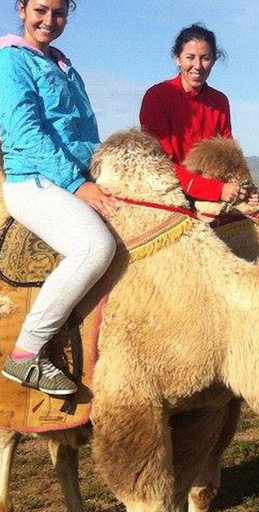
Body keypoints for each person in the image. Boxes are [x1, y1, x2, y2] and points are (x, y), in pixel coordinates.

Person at [0, 0, 116, 395]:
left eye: (59, 12)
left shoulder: (66, 66)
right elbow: (25, 135)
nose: (49, 20)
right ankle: (26, 354)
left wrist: (106, 172)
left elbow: (84, 135)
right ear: (21, 9)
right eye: (41, 10)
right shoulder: (12, 62)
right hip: (33, 180)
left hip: (76, 176)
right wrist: (77, 184)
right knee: (94, 247)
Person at [139, 24, 259, 205]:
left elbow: (228, 155)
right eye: (190, 57)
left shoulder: (219, 101)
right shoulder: (157, 97)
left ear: (213, 60)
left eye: (205, 58)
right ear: (177, 59)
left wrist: (246, 188)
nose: (198, 66)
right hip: (170, 193)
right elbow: (159, 162)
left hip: (215, 192)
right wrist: (215, 190)